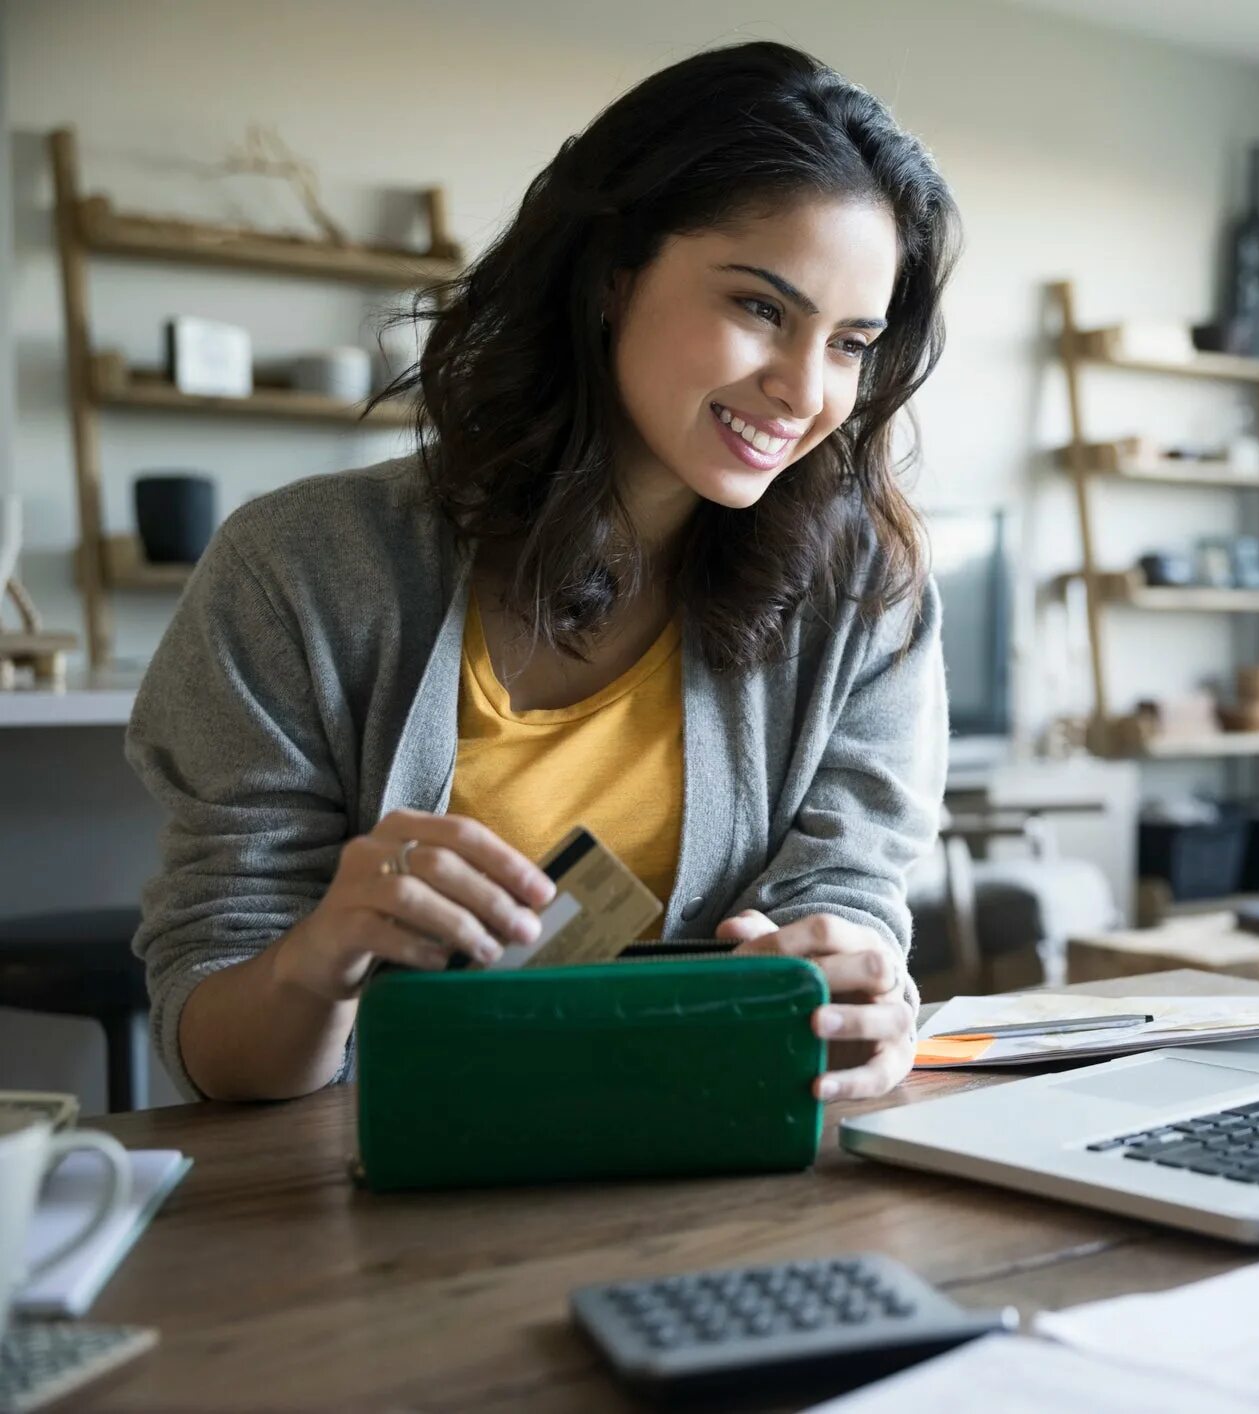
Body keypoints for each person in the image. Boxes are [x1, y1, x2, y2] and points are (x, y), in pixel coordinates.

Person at [125, 41, 960, 1105]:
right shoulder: (299, 570)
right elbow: (217, 1045)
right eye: (760, 308)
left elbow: (849, 918)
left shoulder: (864, 599)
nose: (803, 388)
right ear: (614, 272)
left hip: (716, 1169)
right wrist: (317, 955)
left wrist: (860, 1001)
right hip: (380, 1186)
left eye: (850, 343)